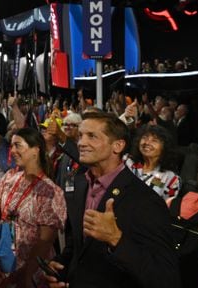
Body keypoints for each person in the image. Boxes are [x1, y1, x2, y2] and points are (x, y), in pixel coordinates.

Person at [44, 111, 180, 288]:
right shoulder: (80, 185)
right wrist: (61, 267)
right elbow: (79, 245)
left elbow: (166, 277)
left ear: (118, 146)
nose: (81, 143)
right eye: (81, 136)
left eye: (92, 136)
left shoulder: (145, 200)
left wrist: (116, 239)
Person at [0, 127, 66, 287]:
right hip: (3, 257)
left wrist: (26, 274)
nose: (12, 151)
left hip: (30, 266)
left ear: (35, 150)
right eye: (11, 146)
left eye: (18, 145)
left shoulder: (51, 191)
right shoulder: (10, 176)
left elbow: (45, 241)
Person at [125, 124, 181, 199]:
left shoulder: (171, 179)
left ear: (164, 148)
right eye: (145, 138)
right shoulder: (126, 161)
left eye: (154, 141)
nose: (147, 143)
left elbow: (167, 207)